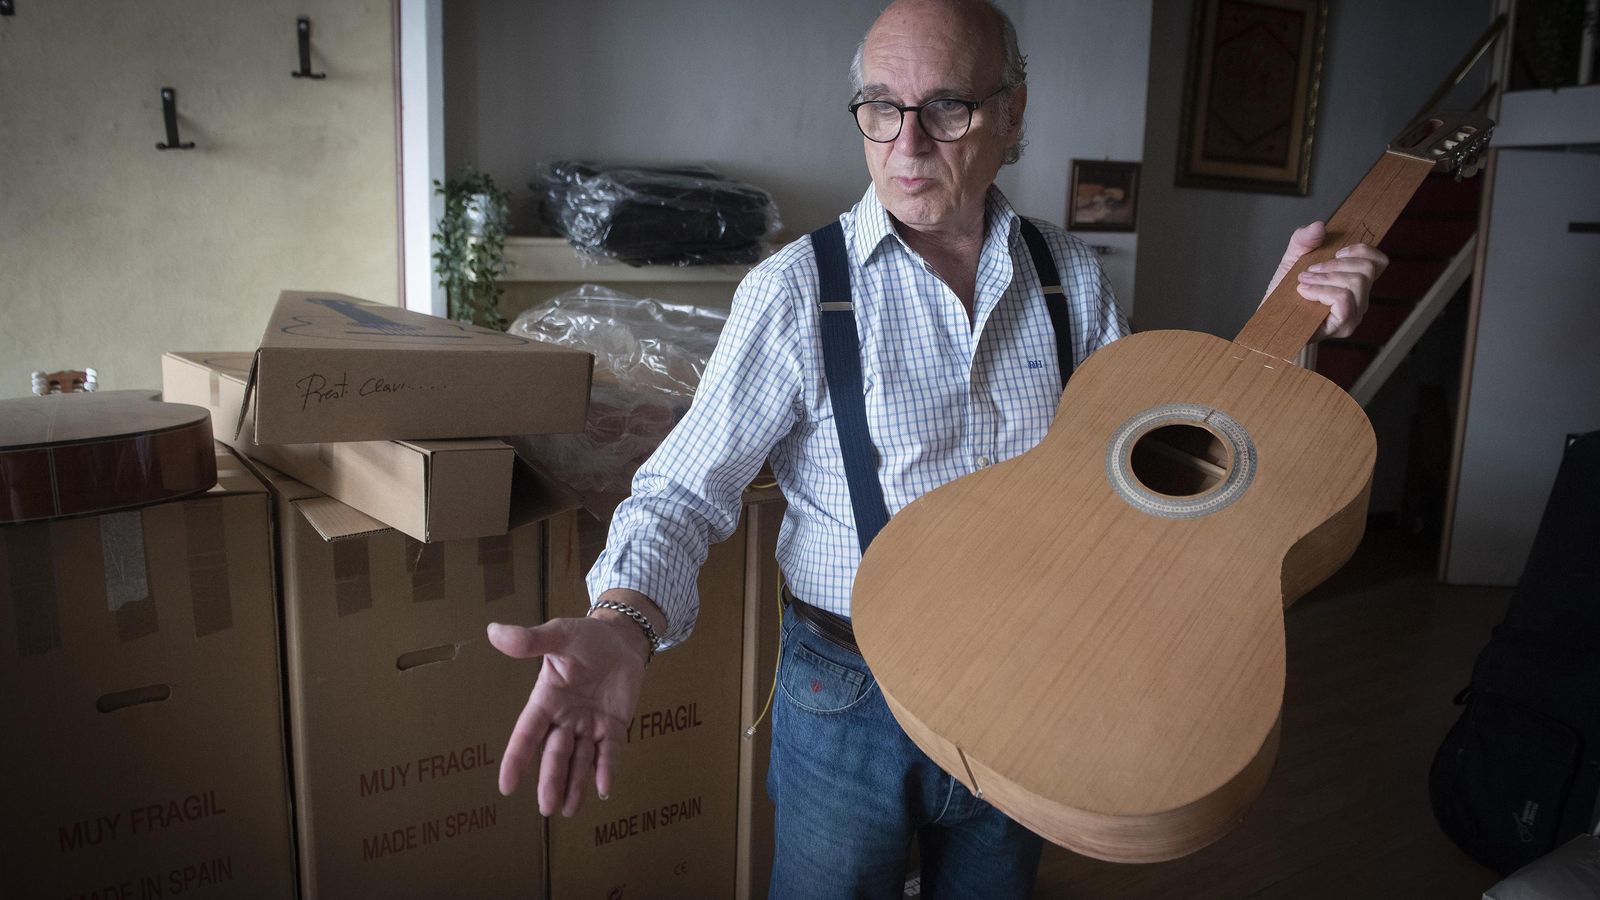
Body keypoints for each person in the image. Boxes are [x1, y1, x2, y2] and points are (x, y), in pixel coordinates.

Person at [488, 0, 1388, 896]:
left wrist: (1282, 320)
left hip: (1030, 674)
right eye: (881, 107)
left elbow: (1153, 459)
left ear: (1014, 114)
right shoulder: (796, 289)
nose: (907, 143)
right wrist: (623, 623)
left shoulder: (1072, 277)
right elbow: (685, 490)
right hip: (848, 697)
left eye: (946, 107)